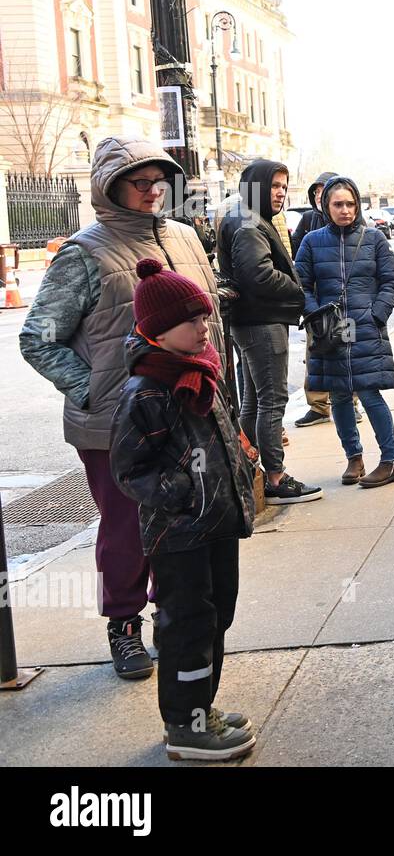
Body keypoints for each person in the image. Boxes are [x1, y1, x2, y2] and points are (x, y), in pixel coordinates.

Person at [20, 136, 224, 680]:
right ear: (111, 185)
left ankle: (172, 617)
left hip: (188, 417)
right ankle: (124, 624)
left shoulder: (184, 237)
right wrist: (96, 394)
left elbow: (208, 327)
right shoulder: (84, 252)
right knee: (127, 529)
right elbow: (38, 338)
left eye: (159, 182)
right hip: (116, 427)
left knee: (186, 522)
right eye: (141, 182)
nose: (153, 191)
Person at [109, 259, 257, 761]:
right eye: (190, 321)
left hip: (216, 523)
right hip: (179, 533)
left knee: (217, 617)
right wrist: (182, 491)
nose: (203, 327)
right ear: (156, 331)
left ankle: (202, 709)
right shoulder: (146, 390)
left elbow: (218, 438)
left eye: (204, 317)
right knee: (188, 625)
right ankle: (186, 726)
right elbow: (129, 470)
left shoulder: (199, 369)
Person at [217, 159, 322, 505]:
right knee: (272, 400)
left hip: (251, 321)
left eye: (284, 186)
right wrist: (296, 290)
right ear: (256, 186)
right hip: (262, 322)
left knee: (255, 399)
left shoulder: (247, 216)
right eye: (274, 185)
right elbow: (257, 275)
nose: (280, 193)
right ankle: (275, 476)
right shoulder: (249, 224)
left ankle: (250, 469)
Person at [296, 176, 394, 488]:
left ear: (357, 205)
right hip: (330, 329)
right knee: (339, 394)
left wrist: (376, 315)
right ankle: (353, 458)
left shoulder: (374, 239)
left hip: (365, 326)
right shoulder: (312, 241)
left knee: (369, 391)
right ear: (326, 206)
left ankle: (391, 460)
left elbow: (390, 282)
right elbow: (300, 284)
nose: (344, 210)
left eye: (350, 204)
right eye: (337, 204)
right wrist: (315, 314)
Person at [289, 171, 360, 428]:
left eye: (323, 190)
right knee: (316, 354)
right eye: (316, 191)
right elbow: (296, 254)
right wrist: (311, 309)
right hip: (317, 307)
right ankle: (318, 406)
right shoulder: (308, 222)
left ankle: (351, 403)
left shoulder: (358, 231)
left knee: (347, 353)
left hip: (344, 307)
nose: (320, 195)